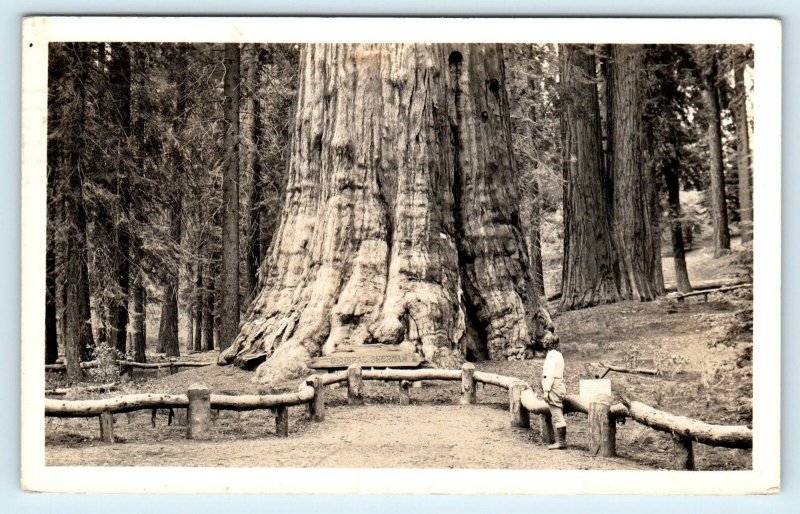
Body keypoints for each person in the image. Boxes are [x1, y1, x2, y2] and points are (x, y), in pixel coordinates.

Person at [541, 335, 567, 450]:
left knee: (556, 414)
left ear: (549, 343)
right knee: (557, 411)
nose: (543, 342)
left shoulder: (551, 355)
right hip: (559, 384)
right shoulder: (559, 354)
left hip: (553, 386)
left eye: (545, 341)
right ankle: (561, 441)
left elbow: (550, 374)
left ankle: (561, 442)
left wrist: (546, 391)